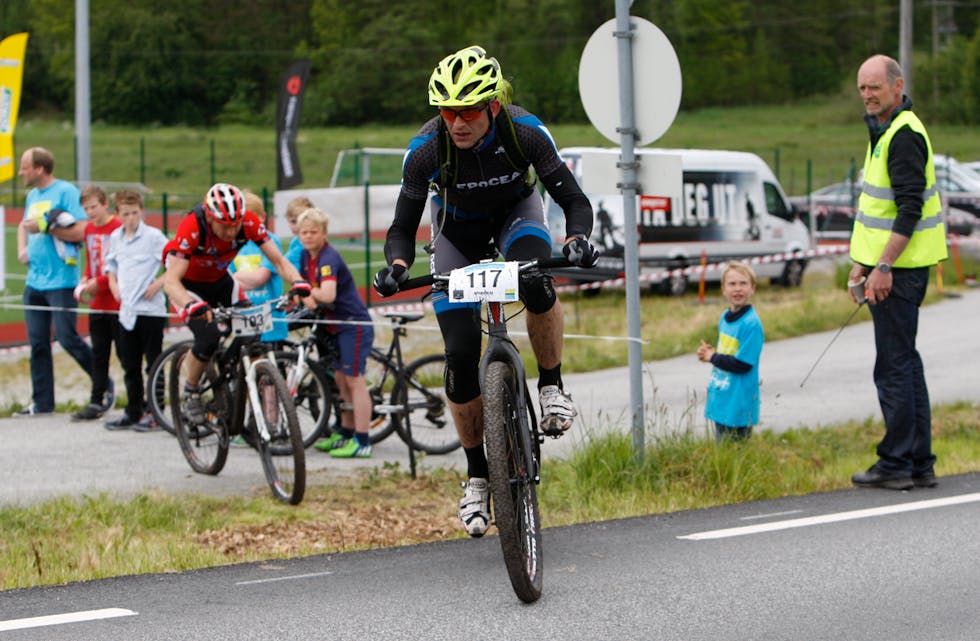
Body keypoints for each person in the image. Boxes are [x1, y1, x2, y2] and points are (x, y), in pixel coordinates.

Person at [372, 45, 598, 536]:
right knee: (457, 355)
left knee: (537, 282)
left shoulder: (525, 132)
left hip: (517, 216)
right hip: (456, 235)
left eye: (468, 111)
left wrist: (578, 239)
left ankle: (552, 387)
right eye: (447, 111)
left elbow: (573, 200)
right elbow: (402, 226)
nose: (457, 122)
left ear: (492, 106)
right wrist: (395, 266)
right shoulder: (427, 149)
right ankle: (477, 474)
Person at [848, 54, 947, 490]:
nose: (868, 95)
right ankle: (919, 463)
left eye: (875, 87)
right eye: (862, 88)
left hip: (899, 272)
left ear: (897, 86)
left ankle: (896, 464)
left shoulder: (903, 135)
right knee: (906, 364)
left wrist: (882, 266)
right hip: (894, 267)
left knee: (893, 367)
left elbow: (910, 208)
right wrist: (863, 261)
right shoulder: (886, 129)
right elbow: (879, 209)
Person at [161, 183, 311, 425]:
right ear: (211, 219)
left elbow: (279, 261)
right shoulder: (193, 226)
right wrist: (189, 305)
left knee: (253, 333)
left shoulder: (249, 222)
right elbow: (170, 281)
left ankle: (237, 386)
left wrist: (299, 282)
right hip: (188, 287)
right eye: (224, 226)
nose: (231, 232)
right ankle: (191, 390)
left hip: (221, 281)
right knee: (208, 337)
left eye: (236, 225)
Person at [15, 147, 96, 417]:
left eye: (24, 167)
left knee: (67, 337)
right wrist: (22, 248)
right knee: (37, 343)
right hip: (34, 281)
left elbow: (83, 230)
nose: (20, 172)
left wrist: (49, 228)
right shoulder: (31, 195)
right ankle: (42, 403)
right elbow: (24, 225)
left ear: (39, 169)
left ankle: (102, 384)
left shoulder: (66, 192)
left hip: (61, 279)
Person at [294, 207, 376, 458]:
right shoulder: (306, 257)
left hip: (353, 324)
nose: (307, 236)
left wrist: (305, 291)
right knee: (340, 379)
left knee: (354, 379)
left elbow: (326, 294)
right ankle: (345, 432)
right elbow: (306, 296)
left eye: (313, 232)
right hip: (335, 325)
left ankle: (363, 440)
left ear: (324, 233)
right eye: (303, 232)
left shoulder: (329, 258)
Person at [103, 189, 168, 431]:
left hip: (150, 310)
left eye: (135, 213)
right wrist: (113, 283)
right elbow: (111, 264)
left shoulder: (154, 237)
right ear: (118, 214)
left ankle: (156, 411)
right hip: (127, 310)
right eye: (126, 214)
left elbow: (174, 263)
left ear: (142, 212)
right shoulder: (116, 237)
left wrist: (158, 283)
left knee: (153, 363)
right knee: (129, 363)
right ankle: (133, 410)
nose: (131, 218)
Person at [697, 262, 764, 442]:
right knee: (722, 451)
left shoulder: (751, 324)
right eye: (732, 284)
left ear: (752, 289)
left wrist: (713, 357)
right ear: (723, 289)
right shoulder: (724, 318)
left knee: (736, 452)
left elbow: (742, 364)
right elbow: (726, 354)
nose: (738, 289)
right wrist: (710, 353)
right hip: (723, 398)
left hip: (739, 402)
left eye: (743, 283)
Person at [70, 185, 121, 422]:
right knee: (99, 353)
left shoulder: (117, 228)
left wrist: (97, 282)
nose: (90, 212)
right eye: (86, 208)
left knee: (125, 353)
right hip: (98, 303)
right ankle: (96, 399)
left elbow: (119, 266)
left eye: (93, 207)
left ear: (104, 204)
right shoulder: (89, 229)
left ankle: (138, 402)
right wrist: (85, 278)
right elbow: (92, 260)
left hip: (116, 301)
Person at [283, 195, 315, 272]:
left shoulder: (312, 243)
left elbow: (283, 263)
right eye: (293, 221)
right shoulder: (295, 242)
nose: (298, 226)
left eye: (302, 221)